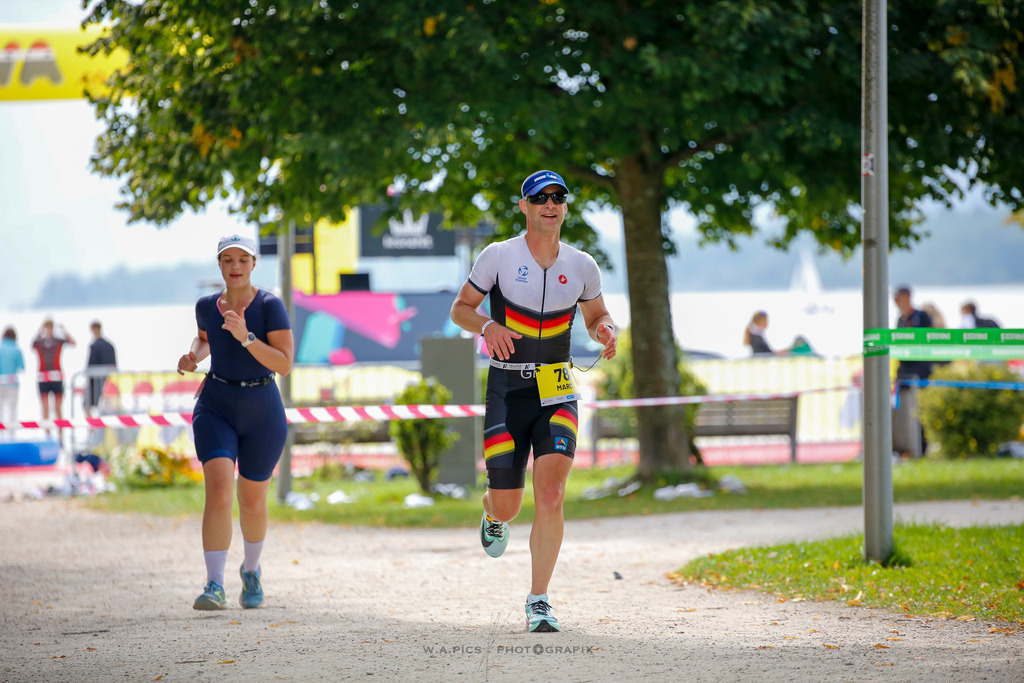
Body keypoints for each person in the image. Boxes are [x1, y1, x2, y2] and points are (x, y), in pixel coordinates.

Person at [450, 169, 617, 633]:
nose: (550, 204)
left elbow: (596, 314)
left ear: (566, 206)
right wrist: (487, 326)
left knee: (552, 492)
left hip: (557, 390)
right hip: (507, 389)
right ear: (523, 206)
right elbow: (460, 308)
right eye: (539, 197)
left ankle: (539, 599)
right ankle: (491, 512)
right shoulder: (498, 256)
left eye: (558, 197)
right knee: (509, 505)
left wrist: (604, 330)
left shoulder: (582, 264)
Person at [176, 234, 293, 611]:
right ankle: (213, 585)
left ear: (254, 264)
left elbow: (284, 363)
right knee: (220, 491)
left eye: (243, 259)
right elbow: (204, 339)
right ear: (220, 266)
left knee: (253, 501)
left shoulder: (270, 306)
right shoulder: (206, 306)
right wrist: (193, 357)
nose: (236, 267)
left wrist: (246, 338)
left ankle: (252, 570)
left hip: (263, 409)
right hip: (216, 405)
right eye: (228, 260)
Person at [893, 285, 932, 457]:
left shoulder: (921, 317)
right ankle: (906, 447)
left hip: (921, 372)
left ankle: (922, 449)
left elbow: (931, 341)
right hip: (905, 373)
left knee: (920, 412)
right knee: (904, 412)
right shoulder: (900, 320)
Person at [31, 318, 75, 436]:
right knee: (45, 409)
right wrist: (39, 331)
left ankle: (60, 437)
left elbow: (73, 342)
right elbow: (32, 344)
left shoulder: (58, 341)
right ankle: (48, 436)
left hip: (56, 377)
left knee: (58, 409)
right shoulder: (40, 342)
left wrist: (64, 330)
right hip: (43, 377)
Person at [85, 320, 117, 416]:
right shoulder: (110, 345)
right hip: (109, 381)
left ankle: (92, 429)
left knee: (87, 405)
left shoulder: (94, 346)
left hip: (96, 382)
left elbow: (90, 366)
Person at [0, 327, 25, 440]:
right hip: (12, 383)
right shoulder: (16, 349)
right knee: (12, 410)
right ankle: (11, 436)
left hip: (0, 382)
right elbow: (22, 367)